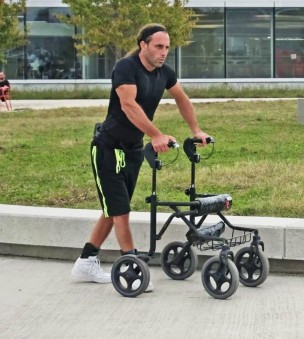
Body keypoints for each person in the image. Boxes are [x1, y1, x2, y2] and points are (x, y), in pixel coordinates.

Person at [71, 23, 211, 287]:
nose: (164, 52)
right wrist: (156, 134)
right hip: (108, 148)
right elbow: (128, 105)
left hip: (133, 149)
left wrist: (196, 129)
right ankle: (131, 265)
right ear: (143, 45)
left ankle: (86, 262)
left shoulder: (164, 73)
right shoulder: (126, 67)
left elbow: (181, 98)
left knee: (113, 210)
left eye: (167, 47)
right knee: (120, 210)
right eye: (159, 46)